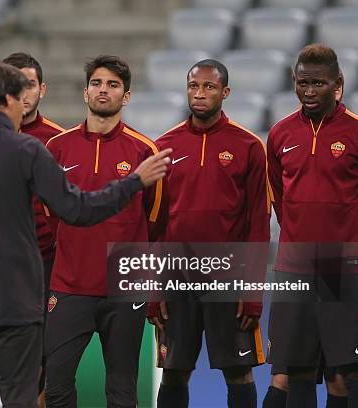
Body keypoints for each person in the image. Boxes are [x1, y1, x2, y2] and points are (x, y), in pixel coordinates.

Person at [0, 62, 172, 407]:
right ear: (6, 100)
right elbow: (77, 210)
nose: (26, 106)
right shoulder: (27, 150)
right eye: (21, 97)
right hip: (16, 306)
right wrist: (133, 183)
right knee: (22, 396)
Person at [42, 55, 167, 408]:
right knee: (57, 385)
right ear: (85, 92)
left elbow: (155, 219)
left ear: (126, 97)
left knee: (123, 391)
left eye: (113, 85)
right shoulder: (58, 148)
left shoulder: (144, 150)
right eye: (97, 83)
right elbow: (52, 213)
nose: (103, 90)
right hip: (68, 284)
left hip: (124, 287)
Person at [148, 59, 271, 408]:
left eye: (209, 87)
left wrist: (252, 294)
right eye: (193, 86)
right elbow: (153, 226)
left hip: (228, 279)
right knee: (174, 371)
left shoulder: (248, 146)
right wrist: (154, 291)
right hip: (177, 279)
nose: (199, 94)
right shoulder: (164, 146)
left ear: (225, 92)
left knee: (238, 371)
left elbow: (258, 226)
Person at [266, 43, 358, 408]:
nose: (309, 91)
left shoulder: (354, 131)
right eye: (302, 83)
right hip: (294, 267)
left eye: (318, 84)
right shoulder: (280, 134)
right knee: (298, 368)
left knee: (345, 374)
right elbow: (277, 196)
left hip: (344, 270)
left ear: (338, 85)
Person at [2, 51, 64, 407]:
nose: (23, 93)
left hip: (44, 264)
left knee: (41, 364)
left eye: (29, 84)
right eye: (15, 84)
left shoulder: (58, 141)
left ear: (42, 89)